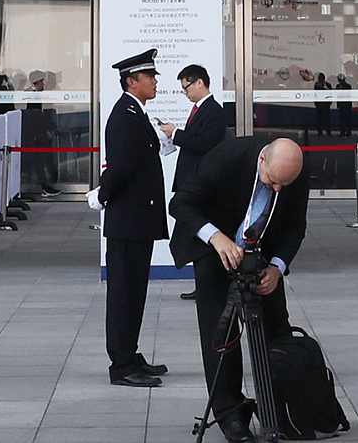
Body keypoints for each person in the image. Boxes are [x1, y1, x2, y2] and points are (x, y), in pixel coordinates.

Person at [170, 135, 309, 443]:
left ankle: (280, 409)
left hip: (261, 254)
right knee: (221, 334)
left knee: (277, 329)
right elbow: (180, 203)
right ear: (262, 160)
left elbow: (295, 227)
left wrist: (277, 267)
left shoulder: (293, 170)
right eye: (272, 181)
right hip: (214, 247)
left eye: (284, 184)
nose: (277, 189)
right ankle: (230, 413)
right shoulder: (227, 157)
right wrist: (216, 237)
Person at [95, 48, 166, 388]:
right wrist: (101, 195)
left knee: (135, 292)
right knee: (124, 294)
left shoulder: (135, 112)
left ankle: (129, 353)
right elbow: (120, 167)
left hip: (138, 219)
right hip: (128, 220)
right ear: (131, 81)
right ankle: (121, 364)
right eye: (149, 76)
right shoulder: (125, 115)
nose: (155, 82)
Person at [170, 64, 228, 302]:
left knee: (201, 236)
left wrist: (176, 134)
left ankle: (208, 284)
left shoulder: (213, 111)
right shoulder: (199, 109)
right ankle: (202, 283)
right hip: (192, 181)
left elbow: (205, 143)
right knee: (194, 236)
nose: (186, 93)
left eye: (187, 87)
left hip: (203, 184)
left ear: (200, 83)